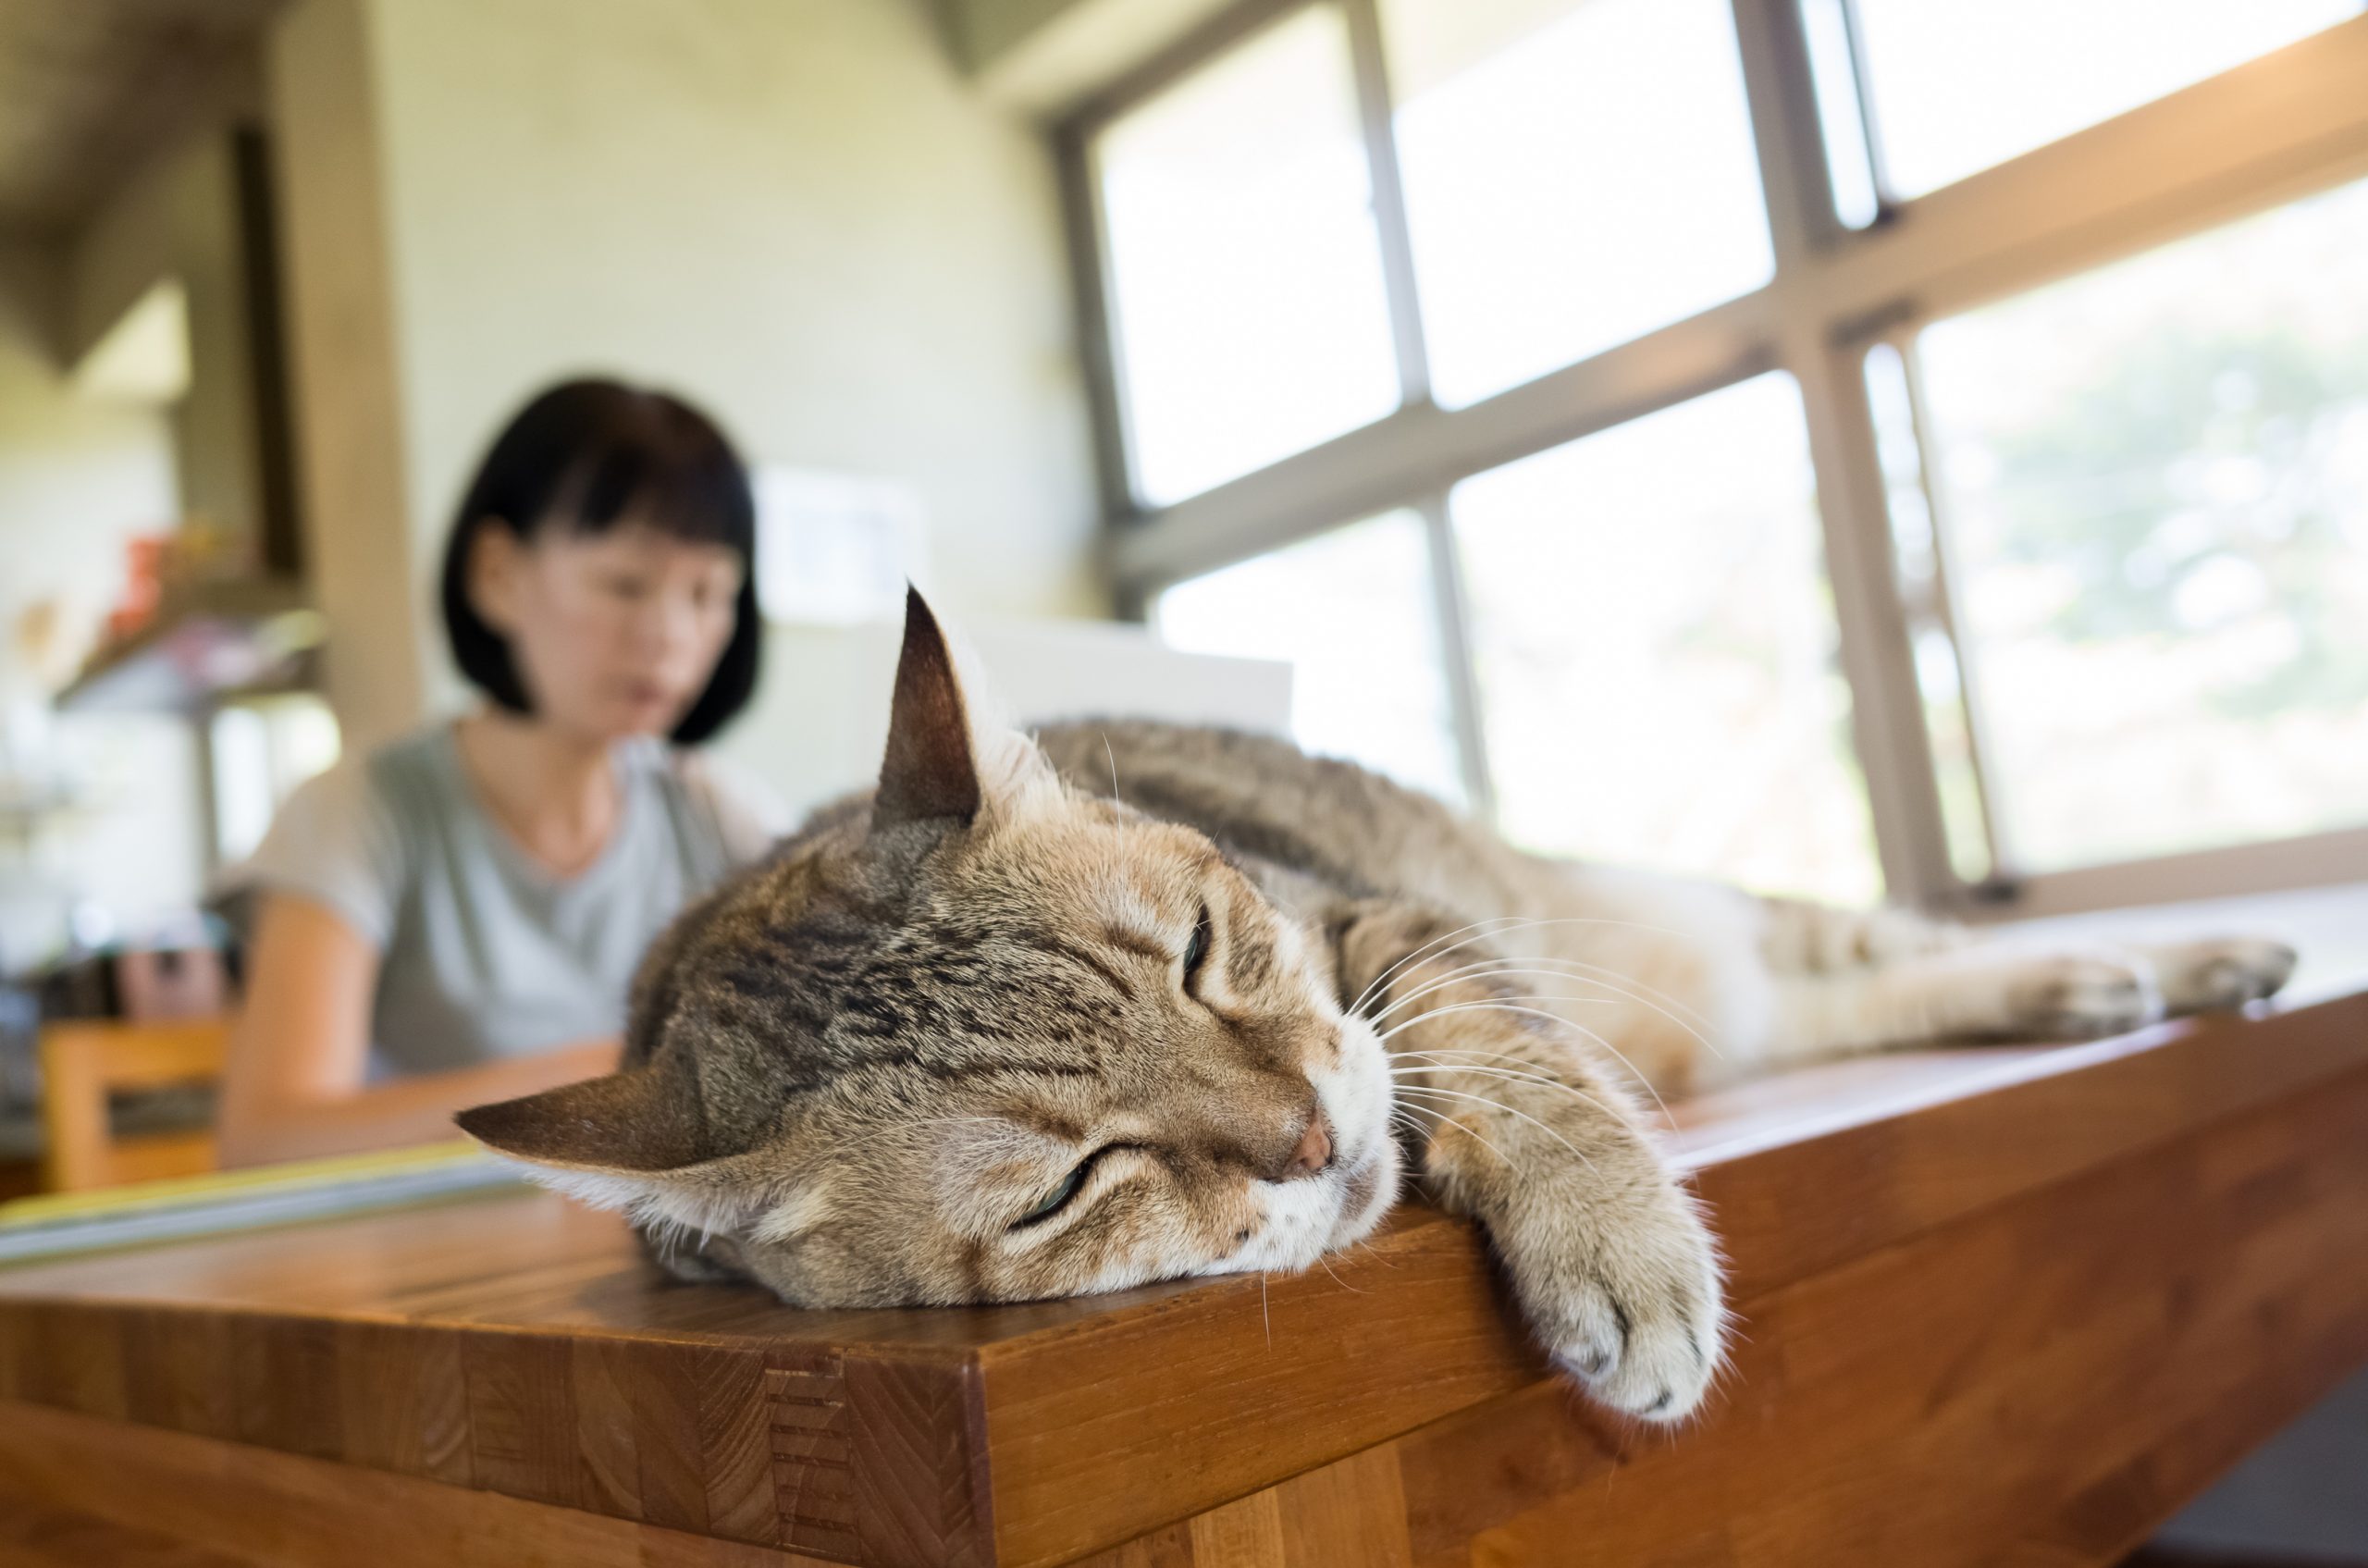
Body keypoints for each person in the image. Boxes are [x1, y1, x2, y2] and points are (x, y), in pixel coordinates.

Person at [215, 379, 786, 1167]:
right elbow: (264, 1141)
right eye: (626, 583)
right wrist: (585, 1087)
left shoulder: (717, 810)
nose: (671, 634)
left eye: (708, 593)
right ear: (497, 576)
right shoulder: (359, 809)